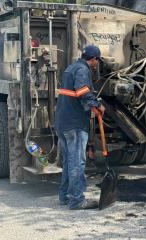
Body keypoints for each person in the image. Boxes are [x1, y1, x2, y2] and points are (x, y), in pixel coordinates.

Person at [55, 45, 105, 210]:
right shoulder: (83, 70)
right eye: (97, 60)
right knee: (77, 162)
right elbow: (83, 91)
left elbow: (76, 93)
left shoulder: (71, 67)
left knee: (69, 161)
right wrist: (96, 104)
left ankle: (65, 196)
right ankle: (77, 200)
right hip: (75, 124)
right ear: (94, 59)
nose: (97, 64)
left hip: (63, 122)